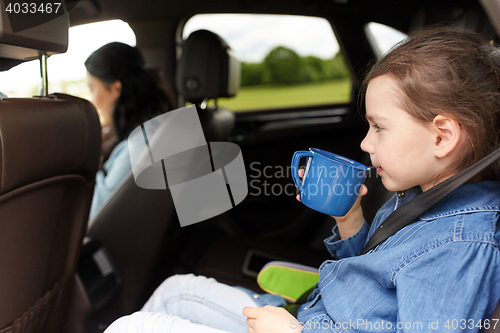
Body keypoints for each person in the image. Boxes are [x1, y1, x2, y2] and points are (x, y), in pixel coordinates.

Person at [103, 27, 500, 332]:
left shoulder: (461, 245)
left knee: (128, 326)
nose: (366, 142)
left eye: (379, 127)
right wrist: (350, 219)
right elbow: (372, 277)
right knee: (175, 291)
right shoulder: (419, 197)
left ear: (442, 136)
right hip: (311, 313)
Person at [85, 42, 176, 219]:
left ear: (115, 89)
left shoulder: (140, 145)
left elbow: (95, 214)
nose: (92, 101)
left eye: (92, 89)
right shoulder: (158, 126)